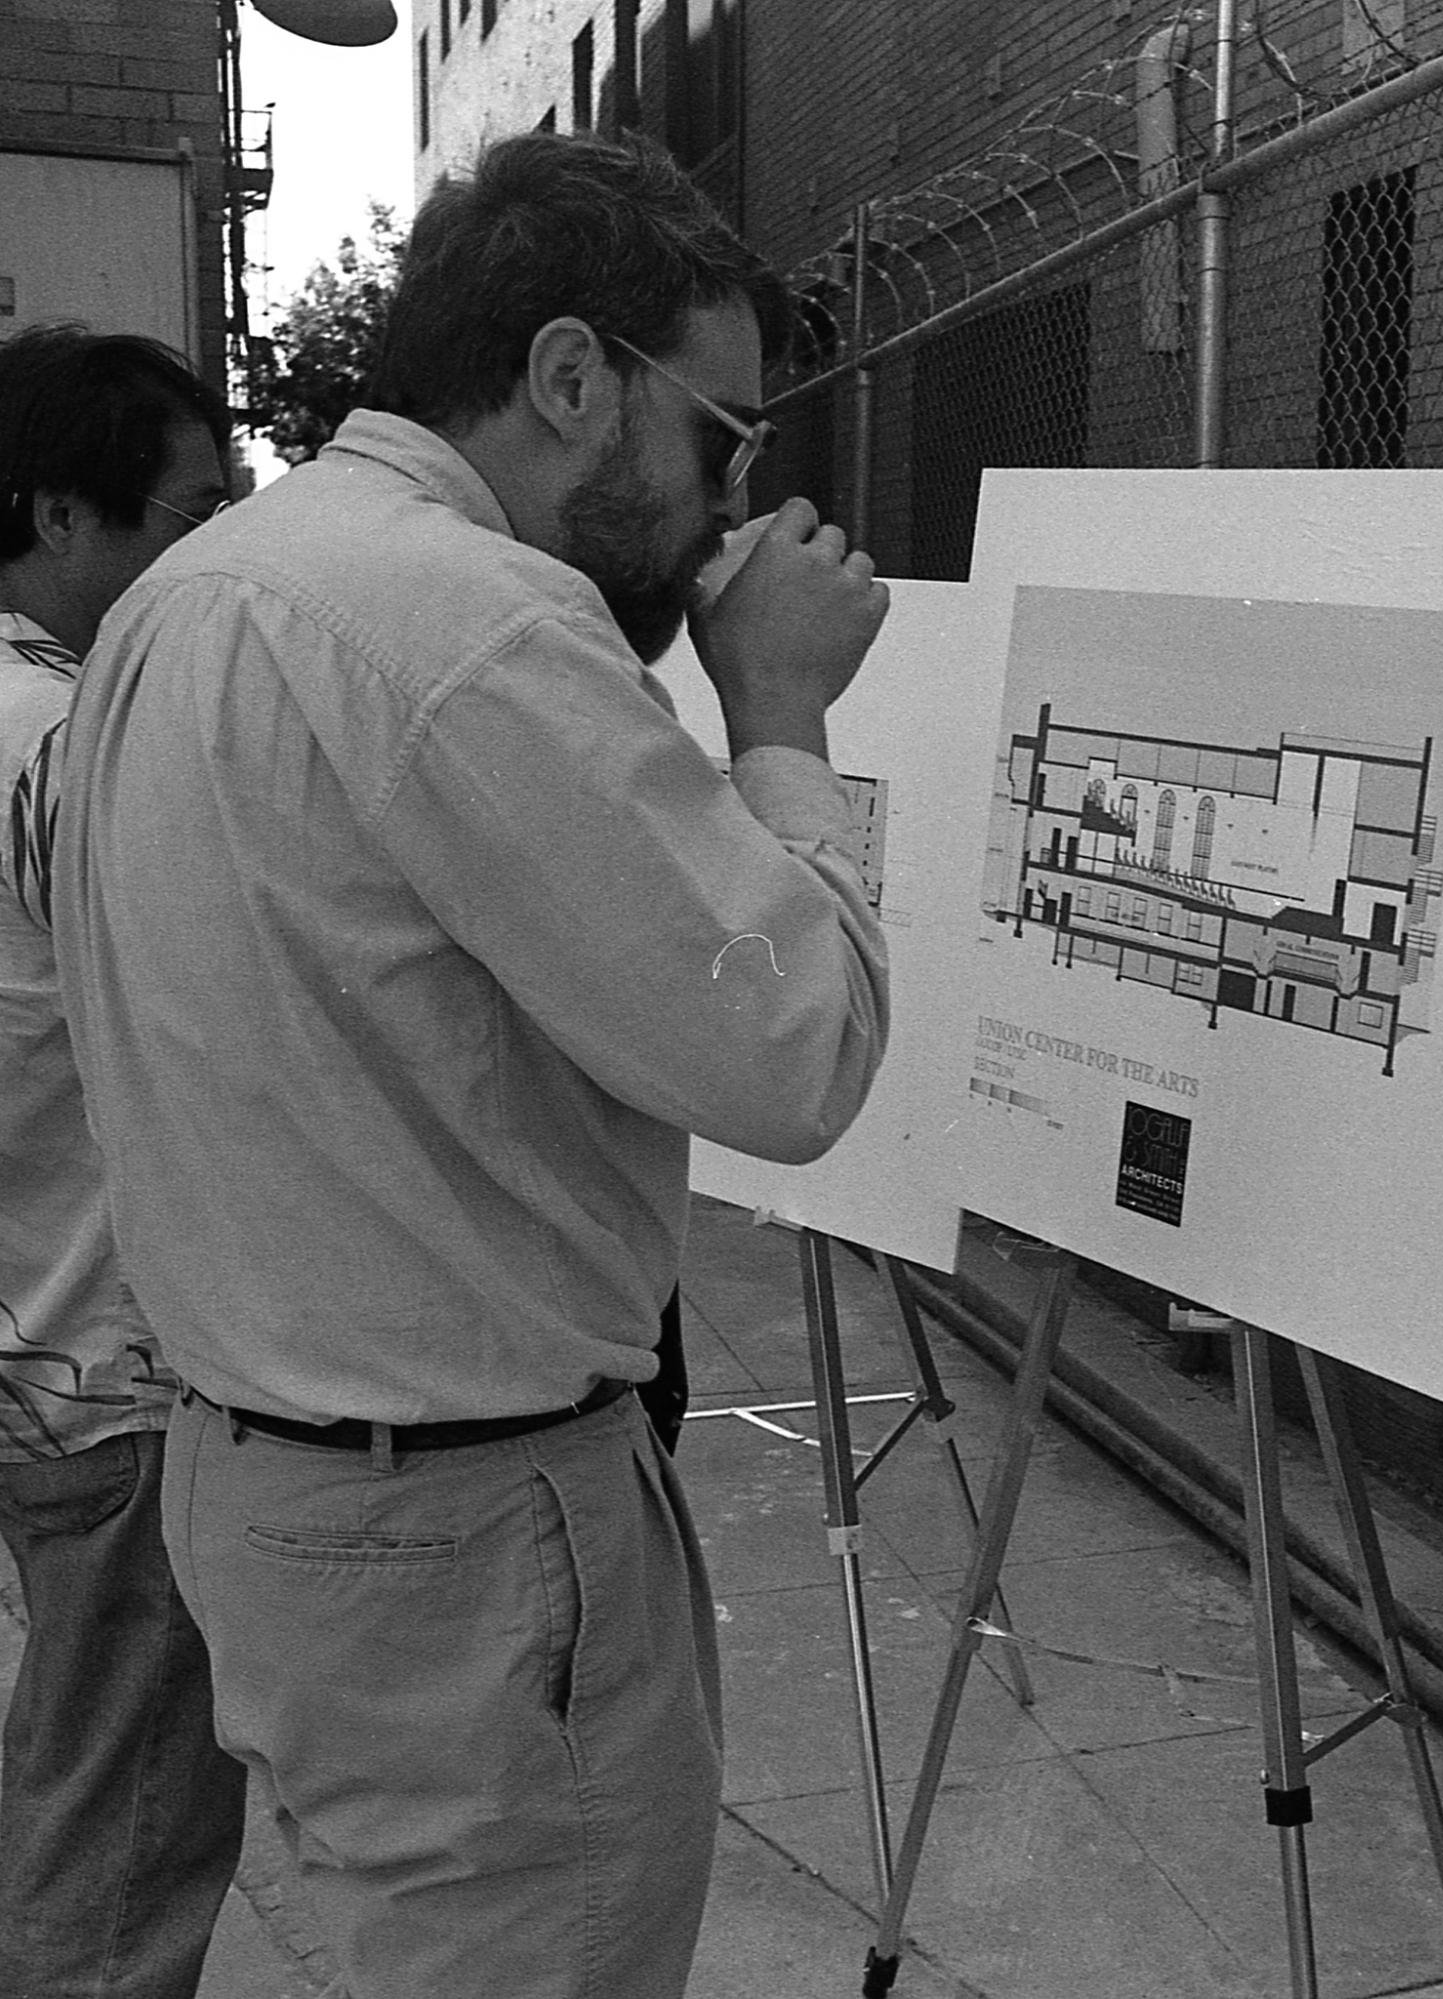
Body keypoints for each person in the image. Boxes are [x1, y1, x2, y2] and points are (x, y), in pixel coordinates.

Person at [53, 131, 891, 1999]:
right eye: (726, 435)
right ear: (577, 377)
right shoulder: (475, 623)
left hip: (270, 1489)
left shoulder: (201, 592)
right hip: (465, 1544)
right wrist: (783, 716)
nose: (738, 490)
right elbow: (797, 1046)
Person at [0, 324, 243, 1997]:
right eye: (180, 517)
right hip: (110, 1381)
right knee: (128, 1832)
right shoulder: (68, 740)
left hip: (30, 1343)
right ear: (50, 515)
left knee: (63, 1782)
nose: (207, 555)